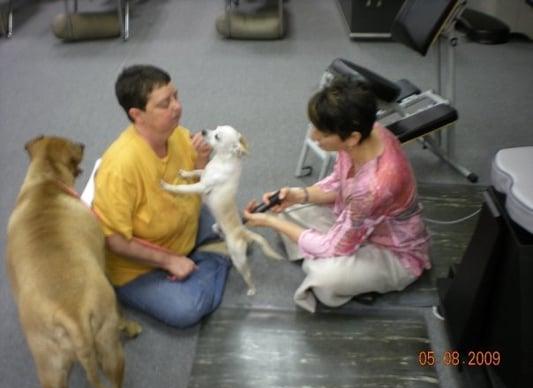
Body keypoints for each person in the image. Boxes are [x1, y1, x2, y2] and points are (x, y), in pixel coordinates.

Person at [243, 77, 431, 313]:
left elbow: (333, 246)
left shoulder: (375, 187)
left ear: (351, 137)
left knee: (322, 278)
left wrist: (268, 222)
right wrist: (297, 194)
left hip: (395, 253)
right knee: (284, 206)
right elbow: (338, 183)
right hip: (357, 219)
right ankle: (331, 258)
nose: (313, 138)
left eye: (321, 133)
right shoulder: (369, 131)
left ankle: (343, 271)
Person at [92, 65, 231, 328]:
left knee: (231, 213)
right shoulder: (120, 167)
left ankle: (207, 256)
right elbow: (115, 242)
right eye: (164, 104)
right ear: (137, 115)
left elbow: (195, 183)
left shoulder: (176, 133)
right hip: (138, 267)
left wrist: (202, 160)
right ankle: (215, 256)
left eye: (176, 96)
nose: (176, 107)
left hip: (181, 227)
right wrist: (170, 260)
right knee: (187, 310)